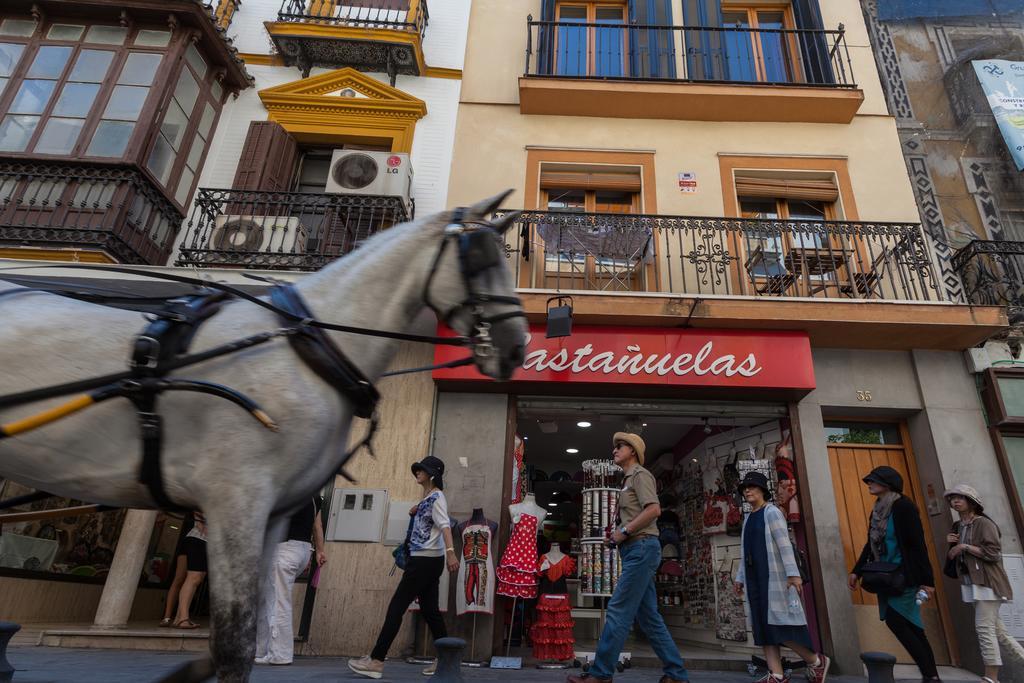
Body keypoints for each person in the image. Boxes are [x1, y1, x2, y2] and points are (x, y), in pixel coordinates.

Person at [566, 432, 690, 683]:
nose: (614, 450)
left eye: (619, 446)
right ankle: (676, 674)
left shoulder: (640, 475)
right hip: (637, 549)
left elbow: (654, 509)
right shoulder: (627, 480)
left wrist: (623, 531)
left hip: (642, 549)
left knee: (618, 610)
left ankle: (601, 674)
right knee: (649, 618)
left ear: (633, 451)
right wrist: (615, 535)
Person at [349, 455, 459, 679]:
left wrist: (451, 554)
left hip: (424, 562)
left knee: (396, 608)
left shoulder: (437, 497)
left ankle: (377, 661)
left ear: (433, 474)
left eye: (422, 469)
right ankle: (446, 661)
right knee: (430, 611)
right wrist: (417, 509)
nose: (417, 472)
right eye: (417, 469)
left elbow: (445, 526)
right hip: (428, 561)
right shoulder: (429, 498)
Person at [734, 472, 830, 683]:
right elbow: (744, 551)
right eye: (745, 488)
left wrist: (793, 574)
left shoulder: (772, 512)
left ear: (762, 490)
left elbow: (784, 544)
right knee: (762, 625)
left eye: (752, 487)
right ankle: (776, 675)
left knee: (780, 626)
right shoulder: (749, 517)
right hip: (754, 578)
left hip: (773, 577)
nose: (747, 491)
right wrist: (740, 577)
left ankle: (815, 661)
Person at [849, 466, 939, 683]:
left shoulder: (903, 507)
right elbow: (870, 544)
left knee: (897, 621)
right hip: (884, 576)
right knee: (912, 626)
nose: (869, 483)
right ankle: (931, 676)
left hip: (903, 576)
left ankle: (930, 674)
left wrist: (927, 581)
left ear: (887, 483)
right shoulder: (878, 509)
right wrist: (856, 571)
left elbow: (917, 545)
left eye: (873, 480)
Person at [945, 484, 1012, 683]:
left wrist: (964, 546)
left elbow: (993, 553)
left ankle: (991, 678)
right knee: (1000, 633)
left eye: (961, 498)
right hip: (971, 582)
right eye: (953, 498)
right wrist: (951, 545)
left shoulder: (984, 523)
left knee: (984, 629)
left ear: (972, 502)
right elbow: (954, 556)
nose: (955, 501)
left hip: (988, 583)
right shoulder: (958, 526)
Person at [255, 494, 327, 666]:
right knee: (269, 599)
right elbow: (317, 526)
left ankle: (280, 654)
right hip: (301, 550)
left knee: (278, 601)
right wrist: (320, 550)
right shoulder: (314, 495)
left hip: (284, 549)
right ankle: (261, 649)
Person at [173, 510, 208, 629]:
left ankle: (179, 618)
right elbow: (198, 514)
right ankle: (183, 619)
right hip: (198, 539)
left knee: (196, 579)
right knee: (194, 578)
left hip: (204, 541)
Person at [159, 511, 194, 627]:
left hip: (198, 541)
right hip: (189, 540)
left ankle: (180, 617)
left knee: (191, 579)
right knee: (180, 578)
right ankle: (167, 617)